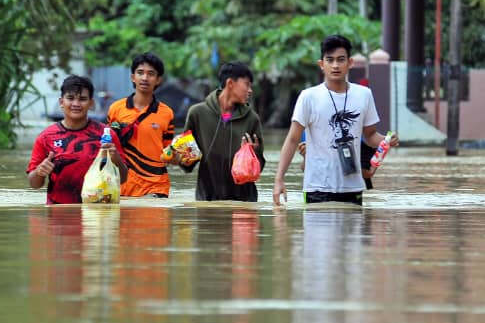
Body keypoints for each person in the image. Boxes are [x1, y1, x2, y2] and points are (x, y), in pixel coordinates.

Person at [273, 34, 398, 206]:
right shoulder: (308, 97)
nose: (335, 65)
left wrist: (387, 140)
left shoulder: (364, 95)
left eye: (341, 60)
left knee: (355, 231)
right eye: (330, 60)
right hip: (317, 188)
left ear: (350, 63)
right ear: (321, 64)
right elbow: (293, 139)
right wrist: (279, 179)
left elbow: (370, 136)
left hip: (353, 188)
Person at [27, 75, 128, 204]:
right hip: (59, 215)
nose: (76, 104)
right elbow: (34, 184)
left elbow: (123, 179)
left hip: (97, 214)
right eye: (70, 98)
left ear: (91, 103)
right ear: (61, 102)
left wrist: (117, 161)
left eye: (82, 99)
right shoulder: (46, 137)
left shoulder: (106, 135)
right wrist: (40, 172)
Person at [181, 61, 265, 201]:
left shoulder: (252, 119)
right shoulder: (197, 114)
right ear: (230, 83)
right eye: (247, 84)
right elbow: (187, 164)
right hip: (207, 201)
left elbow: (258, 169)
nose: (250, 90)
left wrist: (254, 153)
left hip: (243, 203)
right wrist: (177, 155)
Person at [107, 52, 176, 197]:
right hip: (124, 185)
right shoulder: (116, 109)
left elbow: (168, 151)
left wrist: (181, 157)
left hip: (156, 186)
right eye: (140, 73)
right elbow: (108, 146)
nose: (145, 78)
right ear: (133, 77)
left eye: (151, 74)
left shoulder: (166, 113)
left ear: (158, 80)